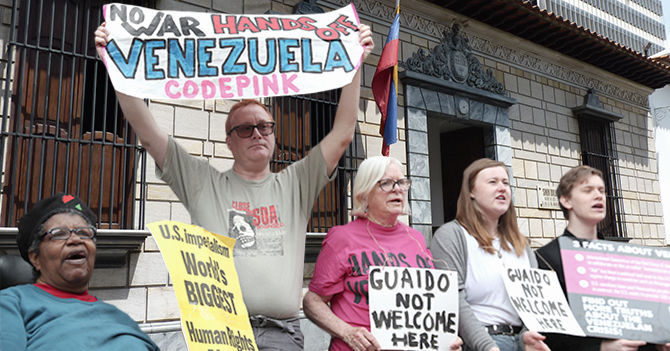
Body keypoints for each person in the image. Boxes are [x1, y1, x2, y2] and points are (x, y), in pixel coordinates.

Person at [95, 23, 374, 350]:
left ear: (273, 135)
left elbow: (342, 134)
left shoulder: (297, 182)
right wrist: (115, 64)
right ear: (228, 141)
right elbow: (149, 134)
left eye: (264, 126)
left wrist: (356, 64)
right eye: (245, 128)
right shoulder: (202, 183)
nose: (257, 133)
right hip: (220, 333)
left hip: (281, 335)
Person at [303, 156, 463, 351]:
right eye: (386, 183)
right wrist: (346, 332)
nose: (398, 189)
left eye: (402, 183)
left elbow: (427, 304)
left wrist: (444, 338)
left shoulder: (416, 239)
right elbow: (312, 301)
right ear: (364, 194)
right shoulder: (342, 237)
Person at [0, 193, 159, 350]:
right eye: (59, 234)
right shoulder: (12, 304)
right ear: (36, 257)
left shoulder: (122, 319)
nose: (76, 240)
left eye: (84, 233)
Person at [535, 165, 670, 351]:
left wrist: (659, 342)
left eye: (602, 190)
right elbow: (548, 333)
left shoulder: (623, 258)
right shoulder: (545, 258)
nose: (599, 196)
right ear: (566, 201)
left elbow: (639, 319)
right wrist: (601, 347)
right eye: (587, 190)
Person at [431, 158, 549, 351]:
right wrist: (488, 347)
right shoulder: (451, 235)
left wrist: (528, 335)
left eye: (506, 183)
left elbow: (536, 300)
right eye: (492, 182)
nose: (502, 188)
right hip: (480, 343)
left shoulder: (522, 243)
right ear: (471, 191)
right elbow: (453, 298)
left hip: (523, 342)